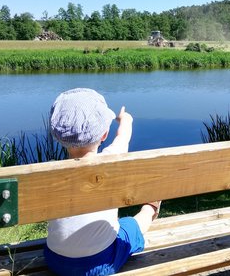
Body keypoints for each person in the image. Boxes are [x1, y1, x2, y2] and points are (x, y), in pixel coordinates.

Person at [44, 88, 161, 276]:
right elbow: (123, 136)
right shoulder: (112, 158)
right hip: (101, 262)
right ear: (104, 134)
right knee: (131, 225)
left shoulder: (47, 173)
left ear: (58, 136)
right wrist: (125, 119)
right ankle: (150, 210)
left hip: (56, 261)